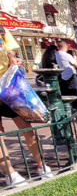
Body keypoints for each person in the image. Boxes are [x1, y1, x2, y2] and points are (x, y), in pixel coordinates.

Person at [0, 34, 52, 186]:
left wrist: (14, 60)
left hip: (9, 86)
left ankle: (41, 164)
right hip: (7, 85)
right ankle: (10, 172)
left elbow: (9, 50)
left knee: (26, 126)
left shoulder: (2, 29)